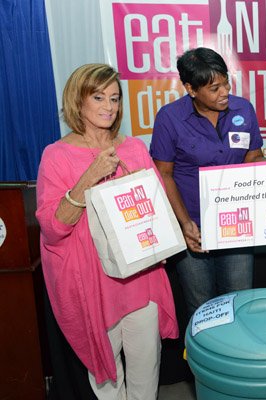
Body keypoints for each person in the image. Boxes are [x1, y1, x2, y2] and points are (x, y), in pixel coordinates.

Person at [36, 63, 178, 399]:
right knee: (106, 379)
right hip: (92, 283)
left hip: (140, 277)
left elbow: (157, 206)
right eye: (98, 97)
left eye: (114, 98)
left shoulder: (134, 149)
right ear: (78, 101)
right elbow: (53, 228)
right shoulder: (56, 156)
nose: (109, 107)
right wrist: (90, 176)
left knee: (146, 369)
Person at [150, 47, 266, 321]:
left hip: (238, 224)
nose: (224, 92)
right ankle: (205, 364)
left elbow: (253, 156)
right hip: (194, 227)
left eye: (226, 83)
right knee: (202, 307)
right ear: (191, 89)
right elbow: (163, 173)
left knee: (239, 302)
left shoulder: (244, 109)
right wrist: (184, 224)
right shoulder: (170, 118)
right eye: (214, 88)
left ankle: (236, 361)